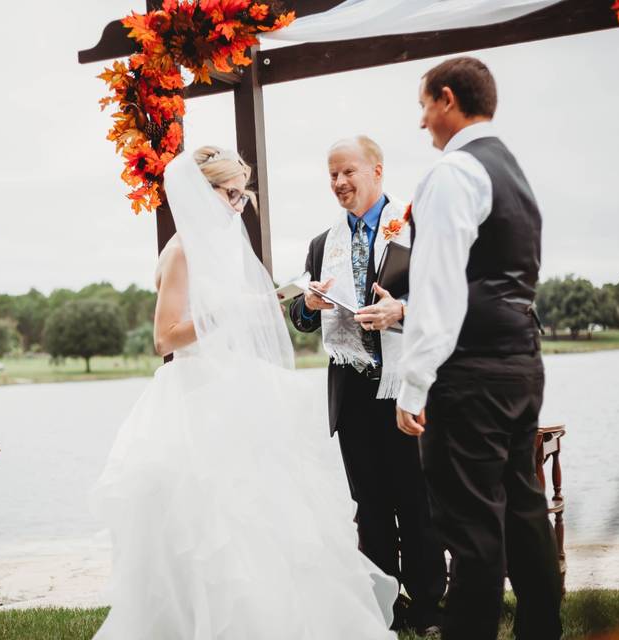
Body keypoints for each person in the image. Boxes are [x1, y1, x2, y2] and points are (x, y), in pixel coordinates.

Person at [91, 146, 398, 639]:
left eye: (241, 196)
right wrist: (229, 314)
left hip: (237, 386)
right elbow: (165, 337)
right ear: (201, 191)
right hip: (196, 397)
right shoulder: (183, 249)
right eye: (230, 195)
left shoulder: (221, 248)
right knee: (210, 522)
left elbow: (240, 305)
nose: (237, 206)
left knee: (264, 514)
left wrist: (292, 296)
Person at [395, 56, 563, 640]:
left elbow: (438, 290)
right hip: (521, 361)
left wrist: (412, 384)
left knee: (470, 529)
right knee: (524, 512)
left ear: (446, 99)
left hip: (469, 373)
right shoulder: (513, 170)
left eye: (423, 105)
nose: (422, 122)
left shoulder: (454, 173)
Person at [288, 135, 446, 635]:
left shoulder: (417, 227)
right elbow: (301, 316)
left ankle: (428, 607)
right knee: (371, 507)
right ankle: (383, 607)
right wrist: (307, 306)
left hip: (407, 387)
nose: (339, 183)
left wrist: (401, 310)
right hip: (353, 396)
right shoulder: (321, 243)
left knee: (417, 503)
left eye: (348, 172)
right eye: (332, 175)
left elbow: (448, 299)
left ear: (377, 171)